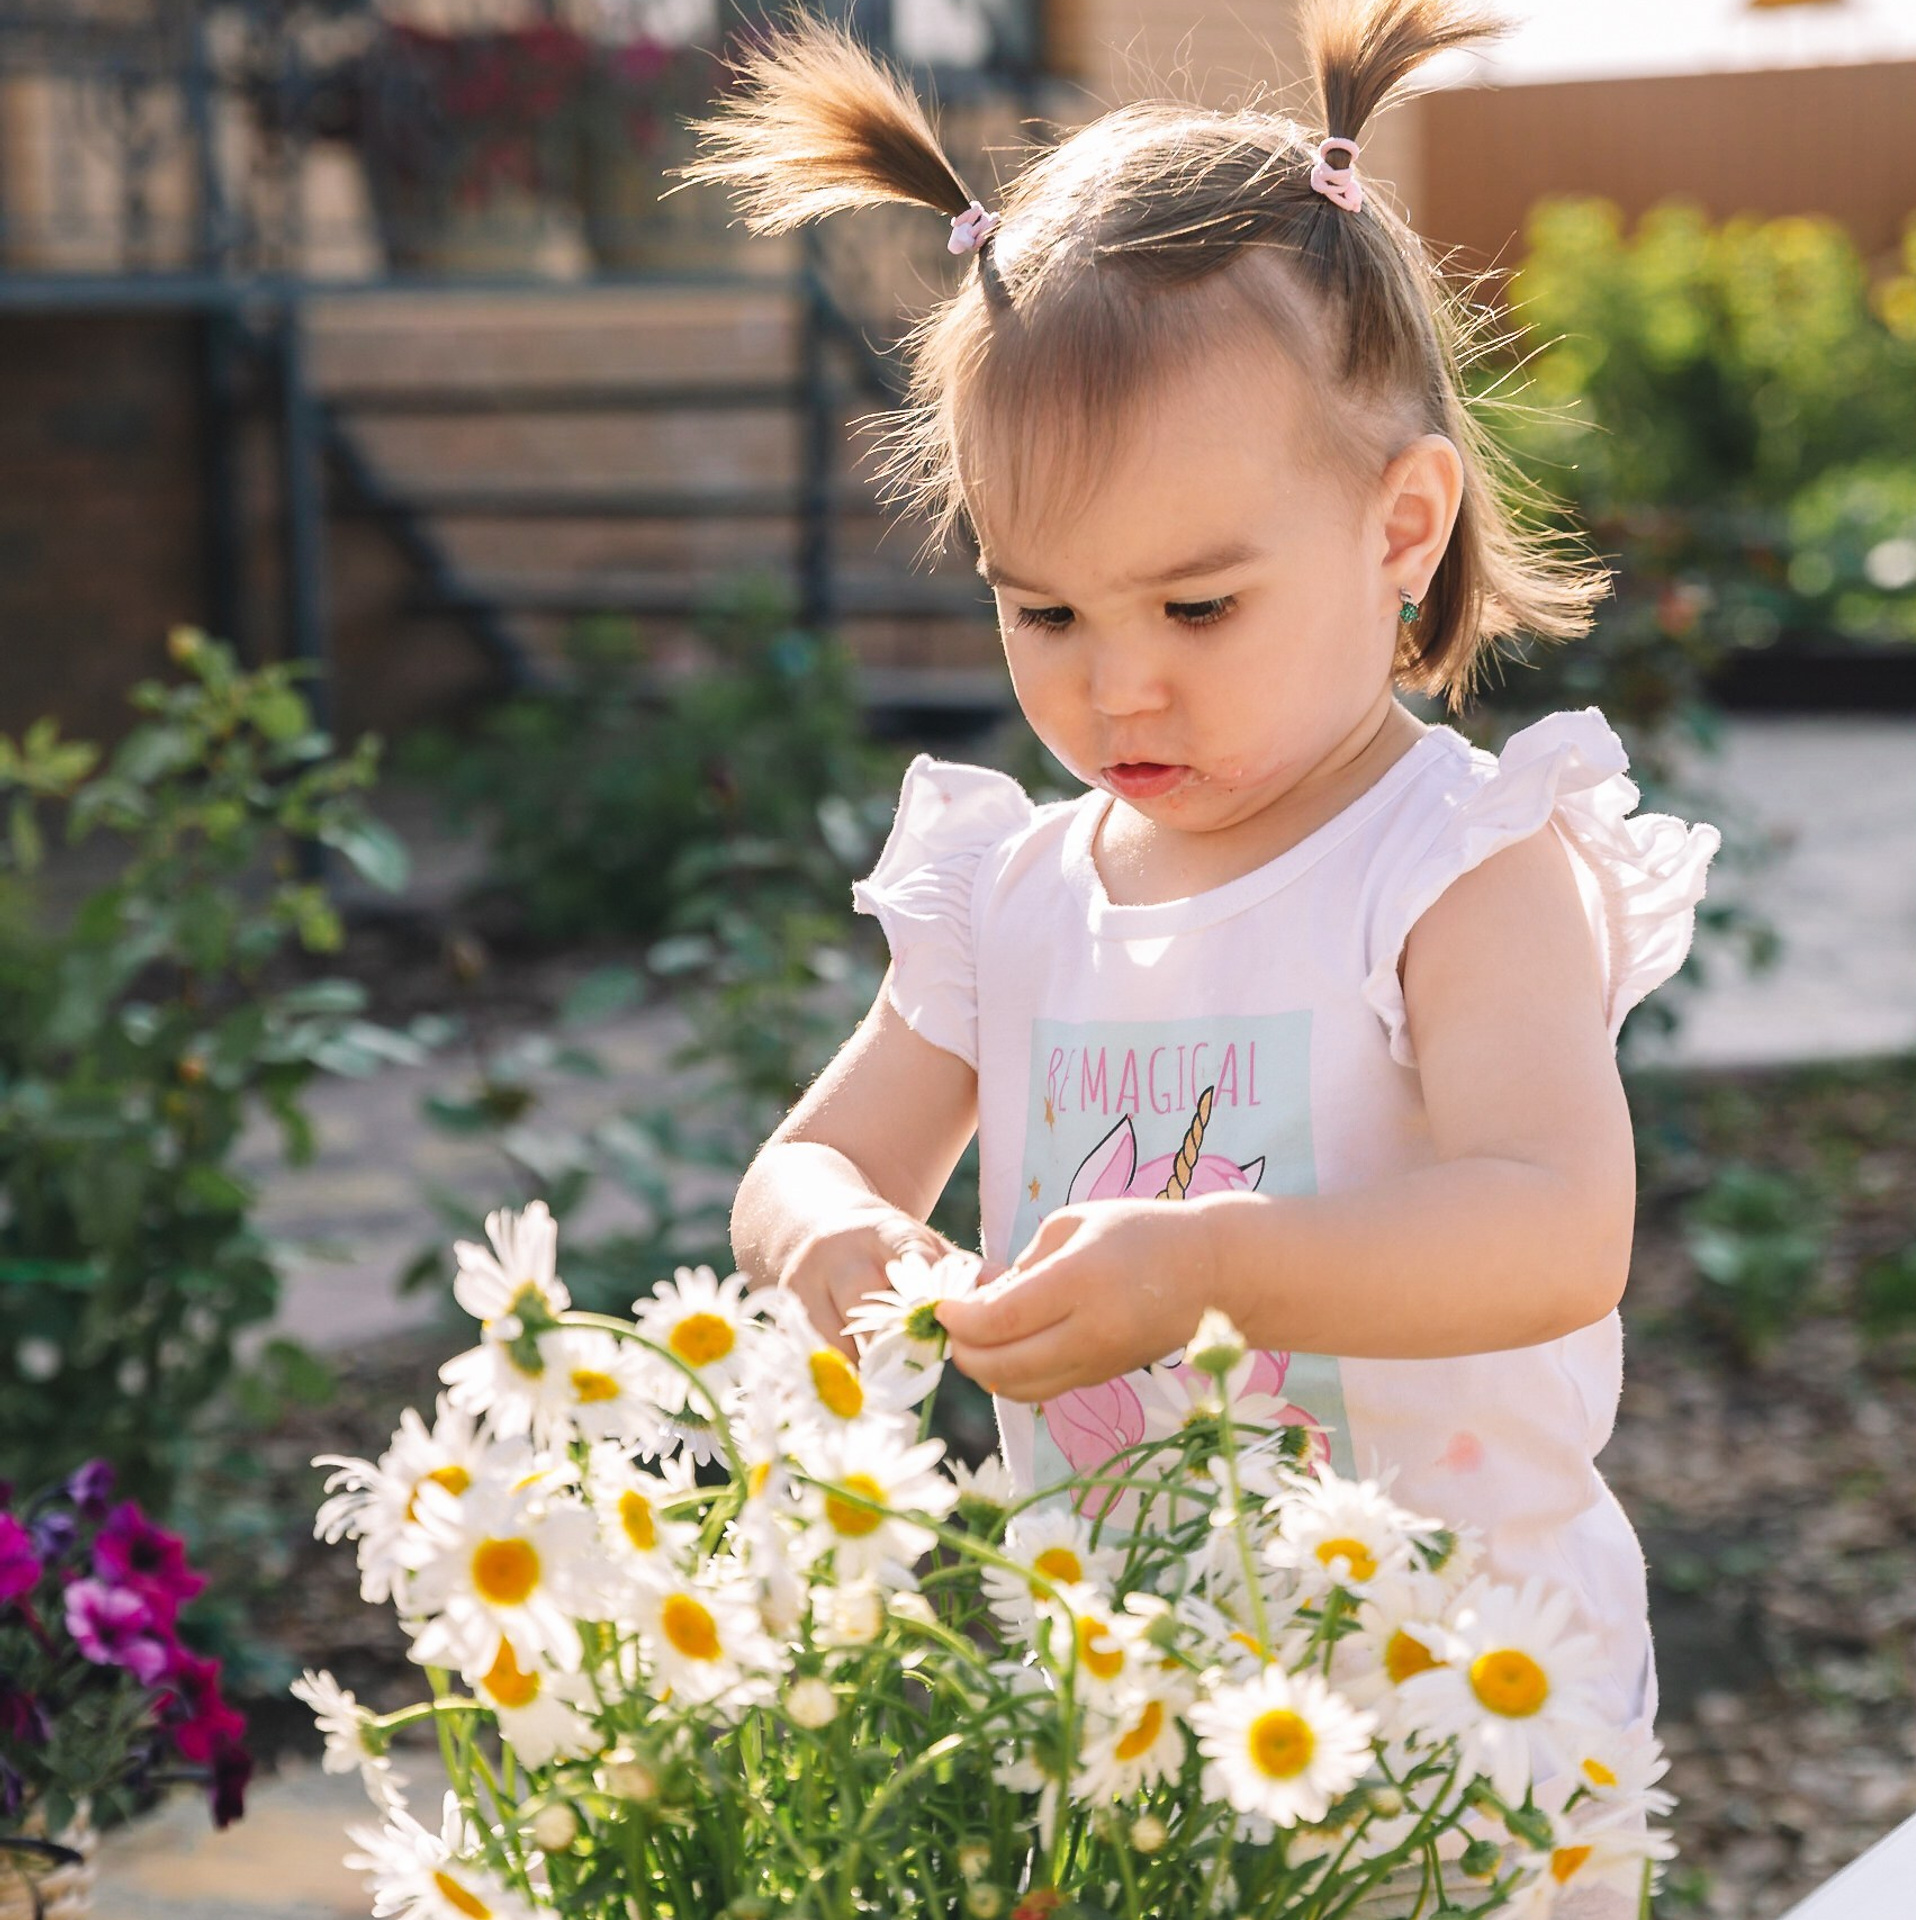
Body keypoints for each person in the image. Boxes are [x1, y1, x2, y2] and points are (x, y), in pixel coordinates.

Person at [704, 0, 1718, 1895]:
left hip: (1453, 1722)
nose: (1118, 688)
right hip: (1123, 1711)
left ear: (1400, 526)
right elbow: (807, 1163)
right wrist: (834, 1237)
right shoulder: (1015, 892)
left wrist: (1211, 1270)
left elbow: (1557, 1226)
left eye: (1194, 606)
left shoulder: (1452, 863)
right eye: (1045, 612)